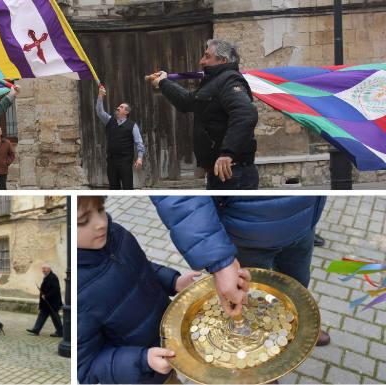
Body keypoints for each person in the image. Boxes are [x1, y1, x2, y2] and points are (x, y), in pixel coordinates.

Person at [151, 196, 331, 345]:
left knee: (299, 285)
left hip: (303, 223)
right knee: (247, 303)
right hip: (246, 233)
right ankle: (262, 355)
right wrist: (221, 262)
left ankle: (302, 325)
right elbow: (180, 199)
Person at [77, 196, 208, 384]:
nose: (101, 223)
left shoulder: (117, 234)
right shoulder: (79, 292)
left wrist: (174, 281)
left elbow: (141, 267)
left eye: (100, 209)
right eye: (83, 221)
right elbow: (86, 368)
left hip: (171, 337)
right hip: (145, 374)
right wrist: (142, 360)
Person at [149, 39, 259, 190]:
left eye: (207, 56)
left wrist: (228, 152)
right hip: (220, 173)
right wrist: (164, 82)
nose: (201, 61)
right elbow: (188, 101)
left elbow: (246, 114)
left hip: (233, 173)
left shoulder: (230, 80)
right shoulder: (214, 81)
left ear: (223, 60)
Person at [96, 85, 145, 190]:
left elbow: (139, 143)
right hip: (111, 161)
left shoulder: (132, 125)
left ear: (126, 112)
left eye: (121, 107)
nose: (118, 108)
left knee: (127, 188)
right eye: (119, 106)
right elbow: (100, 112)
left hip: (125, 162)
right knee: (113, 188)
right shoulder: (109, 120)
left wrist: (140, 158)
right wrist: (100, 96)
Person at [27, 264, 63, 337]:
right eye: (42, 269)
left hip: (52, 303)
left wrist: (46, 295)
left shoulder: (53, 277)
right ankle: (36, 329)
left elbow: (55, 290)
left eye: (44, 269)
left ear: (49, 269)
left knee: (55, 317)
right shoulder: (46, 277)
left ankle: (60, 332)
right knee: (42, 315)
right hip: (46, 303)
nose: (43, 271)